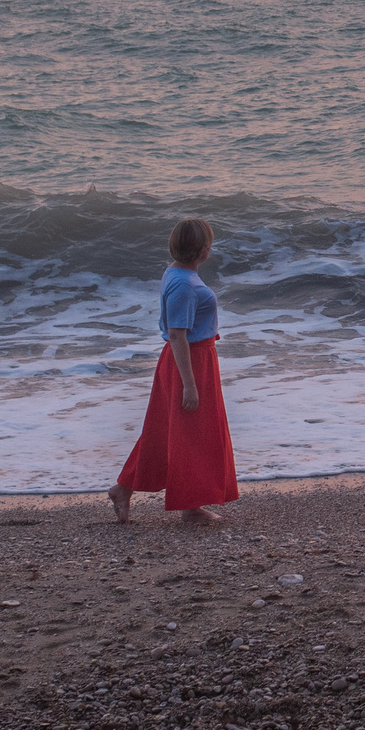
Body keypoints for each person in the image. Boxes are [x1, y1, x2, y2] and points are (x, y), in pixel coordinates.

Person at [108, 216, 240, 523]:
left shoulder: (176, 272)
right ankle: (190, 507)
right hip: (189, 362)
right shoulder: (183, 284)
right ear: (204, 250)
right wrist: (189, 384)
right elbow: (178, 334)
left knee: (168, 432)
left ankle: (123, 488)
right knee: (192, 433)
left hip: (191, 359)